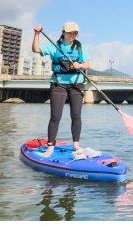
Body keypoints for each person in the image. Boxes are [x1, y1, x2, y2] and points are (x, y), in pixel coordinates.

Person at [32, 22, 92, 159]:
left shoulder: (80, 47)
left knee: (76, 116)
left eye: (75, 33)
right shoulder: (55, 46)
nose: (72, 35)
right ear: (63, 32)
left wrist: (80, 64)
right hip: (58, 84)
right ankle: (50, 146)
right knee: (55, 116)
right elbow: (36, 49)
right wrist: (36, 34)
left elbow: (88, 63)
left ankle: (76, 145)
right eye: (69, 33)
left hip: (76, 85)